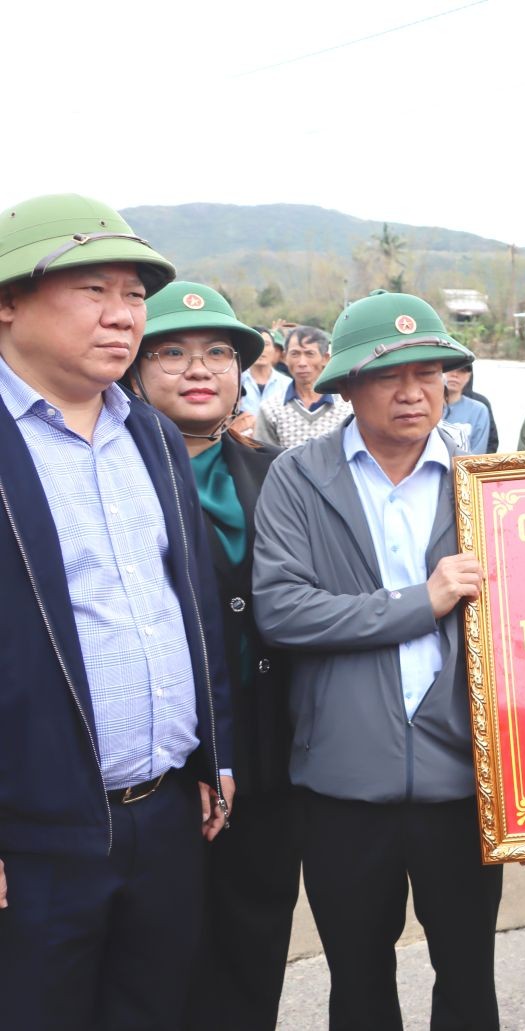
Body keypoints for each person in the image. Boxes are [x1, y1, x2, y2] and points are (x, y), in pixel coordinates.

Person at [254, 291, 525, 1030]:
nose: (414, 390)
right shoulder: (298, 477)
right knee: (357, 980)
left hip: (464, 786)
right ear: (347, 385)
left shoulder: (487, 483)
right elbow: (283, 609)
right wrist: (418, 601)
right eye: (390, 374)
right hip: (342, 781)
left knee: (467, 975)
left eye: (431, 372)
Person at [0, 193, 233, 1030]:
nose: (123, 316)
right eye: (93, 290)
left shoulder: (151, 433)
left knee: (154, 1009)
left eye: (134, 295)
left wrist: (217, 747)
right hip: (36, 833)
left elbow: (192, 605)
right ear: (8, 301)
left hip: (168, 813)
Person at [122, 281, 298, 1031]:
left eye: (218, 353)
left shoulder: (277, 471)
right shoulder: (112, 475)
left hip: (272, 760)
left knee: (256, 943)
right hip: (166, 772)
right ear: (133, 368)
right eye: (172, 353)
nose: (200, 368)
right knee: (163, 956)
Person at [256, 326, 351, 448]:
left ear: (325, 359)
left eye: (309, 354)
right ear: (285, 358)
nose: (302, 363)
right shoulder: (271, 409)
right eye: (295, 354)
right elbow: (263, 458)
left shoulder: (347, 407)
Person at [238, 328, 290, 423]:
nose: (261, 349)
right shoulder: (236, 381)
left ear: (274, 350)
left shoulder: (287, 384)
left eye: (266, 344)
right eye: (255, 344)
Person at [442, 362, 492, 454]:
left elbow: (478, 455)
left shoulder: (479, 410)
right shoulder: (424, 406)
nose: (454, 374)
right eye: (450, 368)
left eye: (462, 370)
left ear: (469, 376)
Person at [462, 368, 499, 453]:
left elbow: (492, 441)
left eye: (462, 371)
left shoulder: (481, 405)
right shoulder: (433, 402)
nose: (455, 375)